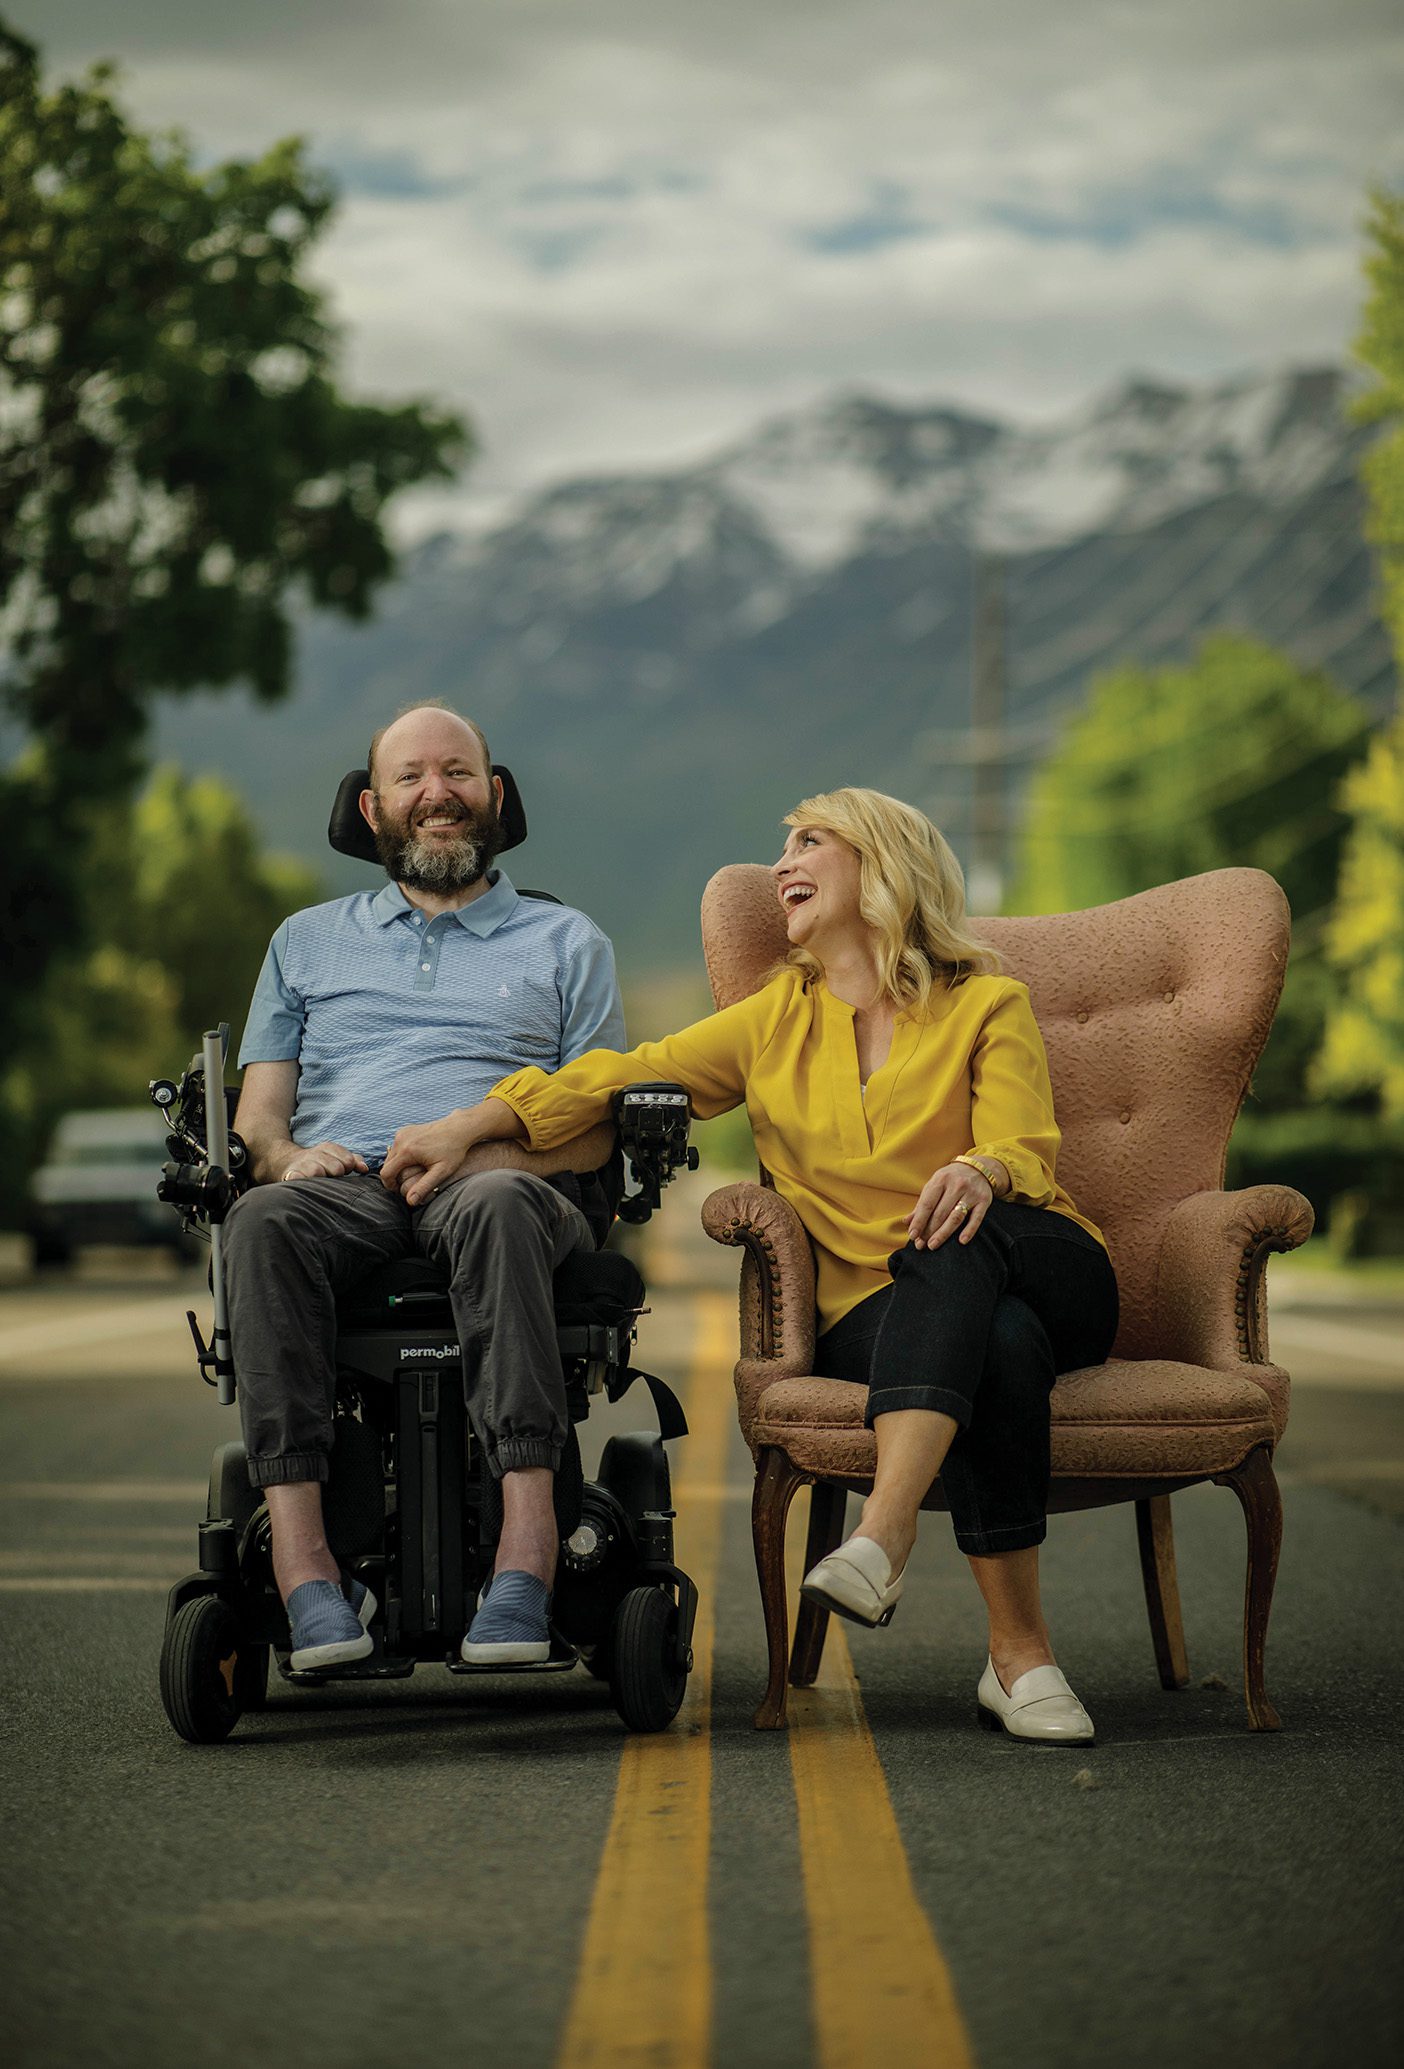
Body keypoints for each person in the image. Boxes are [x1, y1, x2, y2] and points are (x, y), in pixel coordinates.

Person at [380, 786, 1120, 1744]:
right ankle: (1020, 1660)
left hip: (1044, 1261)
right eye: (784, 847)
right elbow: (617, 1074)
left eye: (812, 841)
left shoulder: (988, 1003)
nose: (783, 866)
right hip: (885, 1312)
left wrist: (982, 1167)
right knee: (999, 1346)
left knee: (962, 1237)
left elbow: (1026, 1146)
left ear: (883, 865)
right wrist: (467, 1126)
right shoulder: (775, 1020)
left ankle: (883, 1532)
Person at [223, 701, 625, 1673]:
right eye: (410, 776)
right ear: (372, 807)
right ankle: (309, 1570)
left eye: (457, 771)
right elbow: (258, 1120)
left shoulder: (567, 941)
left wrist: (493, 1157)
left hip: (506, 1181)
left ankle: (525, 1559)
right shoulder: (306, 941)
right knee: (262, 1217)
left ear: (495, 794)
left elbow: (599, 1120)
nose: (435, 792)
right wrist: (285, 1159)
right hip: (348, 1180)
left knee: (490, 1203)